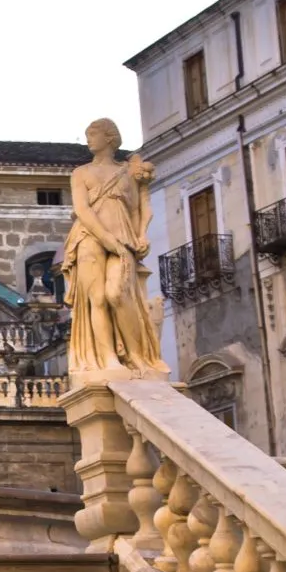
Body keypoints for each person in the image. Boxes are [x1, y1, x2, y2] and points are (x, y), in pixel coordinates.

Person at [59, 120, 165, 379]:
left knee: (117, 294)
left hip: (124, 237)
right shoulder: (81, 173)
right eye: (87, 135)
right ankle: (108, 359)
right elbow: (82, 210)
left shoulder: (130, 172)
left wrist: (142, 236)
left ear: (110, 138)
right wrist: (106, 238)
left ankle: (135, 355)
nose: (88, 140)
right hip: (88, 237)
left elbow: (142, 208)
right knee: (96, 298)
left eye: (93, 135)